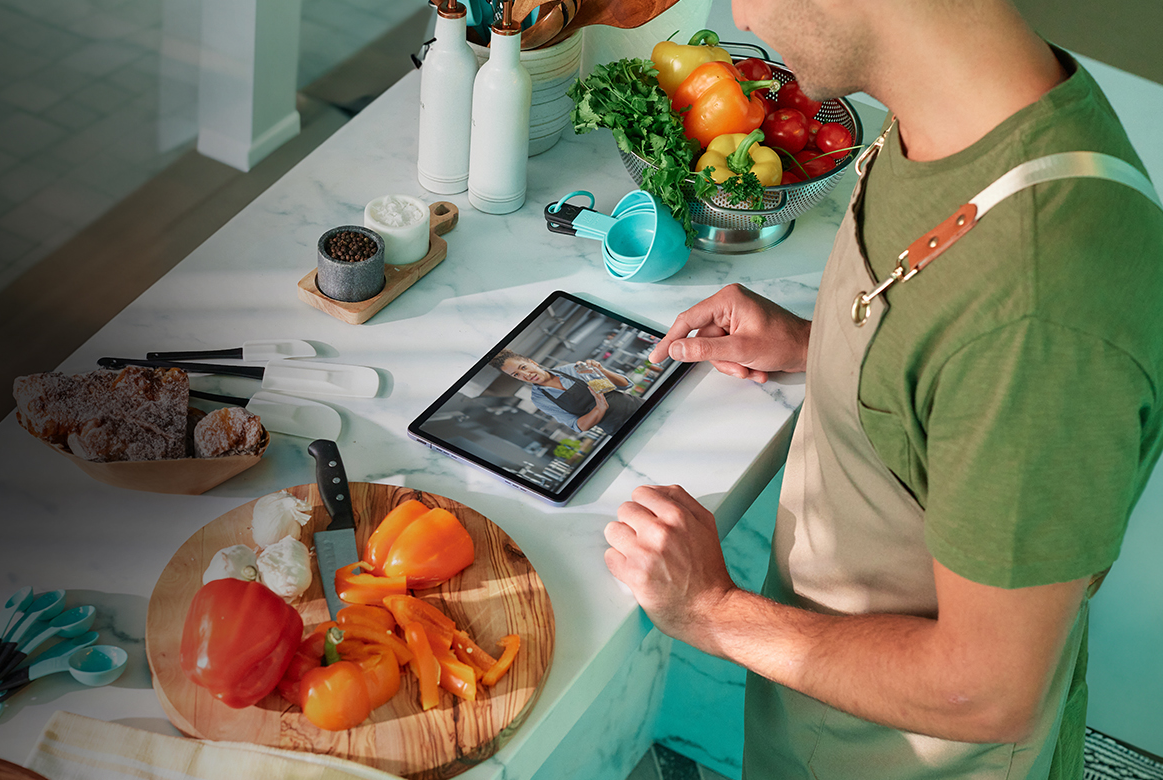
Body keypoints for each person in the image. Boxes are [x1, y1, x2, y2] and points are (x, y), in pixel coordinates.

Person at [600, 1, 1163, 778]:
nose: (740, 11)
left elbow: (986, 690)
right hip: (823, 727)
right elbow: (952, 366)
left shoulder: (1043, 314)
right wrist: (825, 344)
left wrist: (707, 609)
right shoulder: (971, 106)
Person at [490, 350, 640, 433]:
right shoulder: (540, 399)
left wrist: (602, 371)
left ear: (532, 362)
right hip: (620, 430)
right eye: (516, 375)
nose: (526, 375)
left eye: (523, 367)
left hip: (639, 408)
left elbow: (624, 385)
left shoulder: (572, 369)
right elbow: (579, 426)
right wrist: (599, 408)